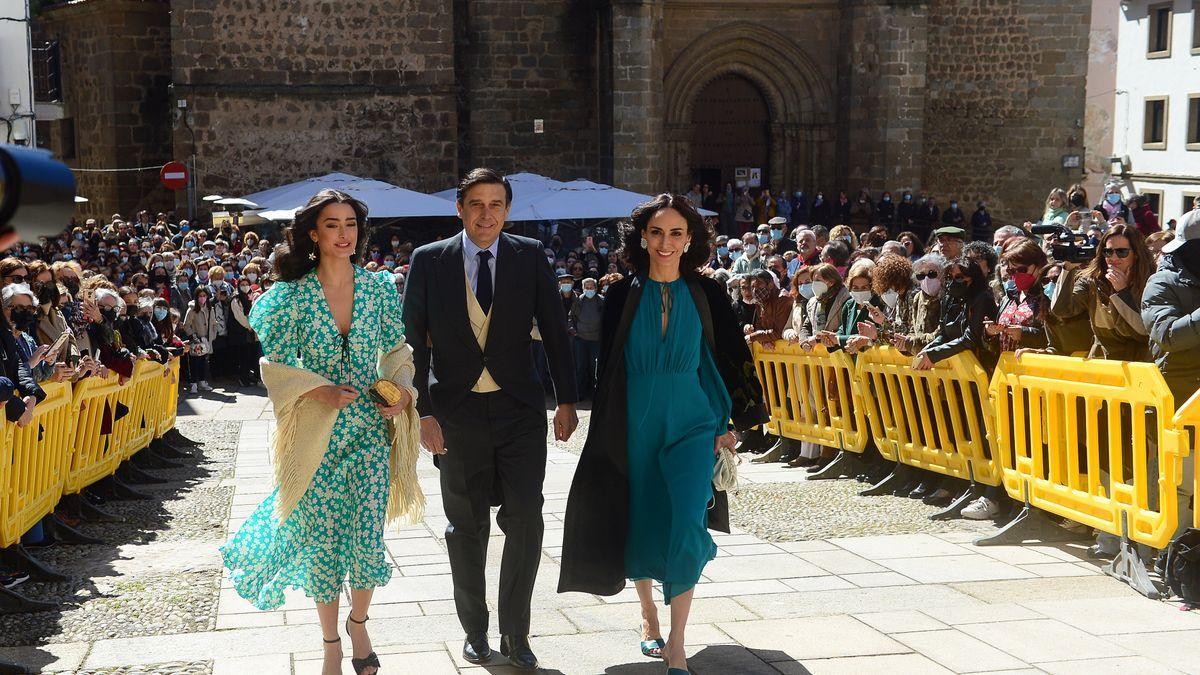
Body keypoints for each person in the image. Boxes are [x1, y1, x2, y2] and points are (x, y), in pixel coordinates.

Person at [559, 194, 766, 675]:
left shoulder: (708, 294)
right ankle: (648, 613)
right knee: (643, 516)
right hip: (635, 422)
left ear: (690, 239)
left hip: (694, 421)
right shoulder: (619, 295)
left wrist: (729, 421)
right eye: (657, 233)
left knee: (687, 522)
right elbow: (604, 365)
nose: (666, 242)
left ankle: (677, 640)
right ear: (643, 238)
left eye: (676, 233)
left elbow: (726, 357)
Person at [220, 189, 420, 675]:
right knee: (325, 544)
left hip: (371, 430)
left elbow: (396, 350)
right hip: (318, 436)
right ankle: (331, 643)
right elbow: (275, 368)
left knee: (367, 537)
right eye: (333, 225)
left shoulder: (377, 289)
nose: (344, 234)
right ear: (314, 232)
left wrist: (402, 389)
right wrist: (317, 391)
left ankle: (359, 623)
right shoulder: (288, 297)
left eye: (351, 224)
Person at [403, 168, 578, 672]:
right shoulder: (429, 261)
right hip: (454, 415)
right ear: (459, 209)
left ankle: (516, 631)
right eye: (476, 204)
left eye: (496, 203)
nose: (486, 214)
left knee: (526, 519)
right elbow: (411, 340)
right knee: (465, 526)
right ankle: (475, 631)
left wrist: (567, 398)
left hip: (519, 410)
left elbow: (555, 329)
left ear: (508, 208)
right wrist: (424, 413)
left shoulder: (529, 255)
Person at [569, 277, 604, 400]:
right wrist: (573, 330)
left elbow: (606, 319)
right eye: (587, 287)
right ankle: (580, 394)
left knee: (595, 368)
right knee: (581, 368)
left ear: (595, 288)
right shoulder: (578, 301)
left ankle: (595, 395)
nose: (589, 289)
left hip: (596, 340)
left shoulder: (601, 301)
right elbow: (571, 318)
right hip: (581, 340)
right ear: (583, 288)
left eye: (591, 287)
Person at [182, 286, 218, 393]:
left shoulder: (210, 309)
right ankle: (193, 383)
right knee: (194, 362)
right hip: (196, 340)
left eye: (204, 296)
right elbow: (186, 325)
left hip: (207, 340)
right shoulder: (192, 309)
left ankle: (202, 381)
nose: (202, 298)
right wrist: (193, 336)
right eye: (200, 296)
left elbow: (213, 322)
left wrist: (213, 334)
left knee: (204, 362)